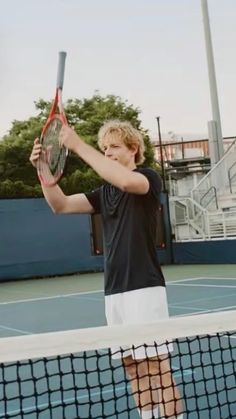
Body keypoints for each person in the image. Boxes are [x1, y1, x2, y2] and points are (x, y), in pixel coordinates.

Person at [30, 120, 183, 419]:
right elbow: (59, 204)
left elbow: (126, 182)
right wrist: (43, 170)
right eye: (104, 148)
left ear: (133, 149)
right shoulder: (104, 193)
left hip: (144, 287)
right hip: (115, 291)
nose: (108, 152)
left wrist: (78, 145)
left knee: (155, 365)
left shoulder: (147, 179)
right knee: (132, 365)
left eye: (114, 146)